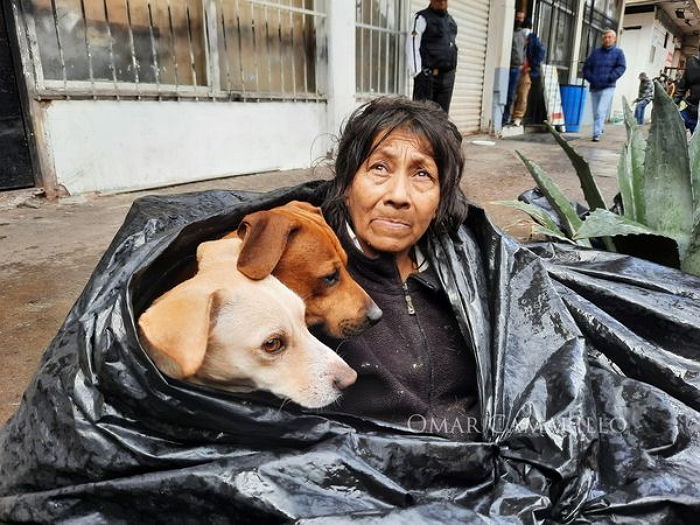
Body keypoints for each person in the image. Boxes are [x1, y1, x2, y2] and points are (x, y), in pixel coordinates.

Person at [320, 97, 479, 438]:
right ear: (347, 186)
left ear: (440, 201)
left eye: (422, 173)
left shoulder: (470, 273)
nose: (398, 195)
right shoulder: (308, 276)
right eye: (379, 167)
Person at [406, 0, 458, 113]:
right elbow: (412, 44)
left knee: (442, 118)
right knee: (422, 117)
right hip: (427, 77)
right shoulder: (421, 18)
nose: (442, 2)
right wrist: (417, 73)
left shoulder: (451, 21)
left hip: (447, 78)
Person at [582, 29, 626, 141]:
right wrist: (591, 78)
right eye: (605, 37)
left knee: (601, 110)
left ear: (614, 39)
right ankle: (600, 127)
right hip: (595, 86)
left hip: (608, 86)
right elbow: (586, 68)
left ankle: (596, 134)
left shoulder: (618, 53)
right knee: (596, 111)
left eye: (609, 37)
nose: (607, 39)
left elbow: (621, 67)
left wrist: (610, 77)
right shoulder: (595, 53)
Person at [511, 21, 546, 127]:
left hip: (525, 71)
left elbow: (540, 54)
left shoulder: (533, 40)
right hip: (516, 67)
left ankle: (517, 117)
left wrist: (531, 67)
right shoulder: (517, 36)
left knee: (522, 95)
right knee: (513, 94)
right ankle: (512, 116)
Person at [503, 10, 527, 126]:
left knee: (512, 95)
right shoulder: (509, 31)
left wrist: (523, 64)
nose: (519, 20)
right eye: (518, 17)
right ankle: (503, 118)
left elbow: (523, 50)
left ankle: (507, 117)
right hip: (507, 66)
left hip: (517, 68)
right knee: (506, 93)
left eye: (521, 18)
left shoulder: (523, 33)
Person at [674, 54, 700, 133]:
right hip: (690, 109)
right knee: (671, 129)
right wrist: (673, 104)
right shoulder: (693, 63)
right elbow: (682, 87)